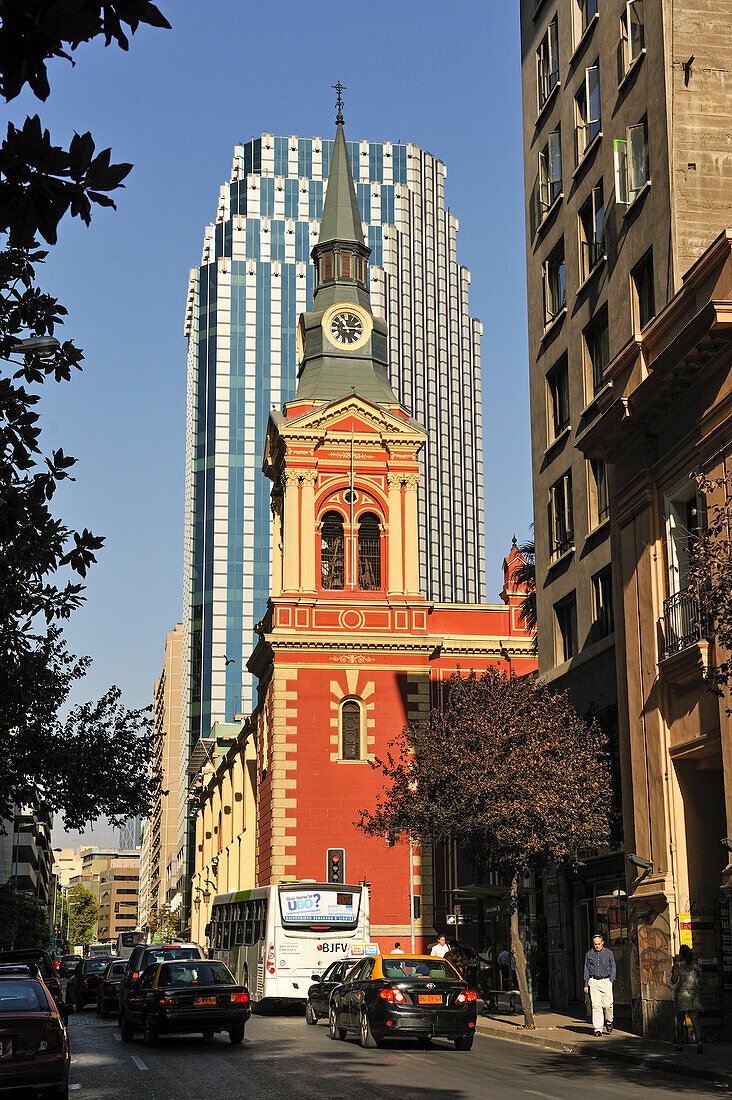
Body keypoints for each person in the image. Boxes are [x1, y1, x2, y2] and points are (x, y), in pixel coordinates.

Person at [671, 944, 703, 1054]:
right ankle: (699, 1043)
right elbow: (699, 979)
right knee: (695, 1021)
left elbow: (674, 980)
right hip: (694, 995)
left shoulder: (677, 966)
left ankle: (680, 1043)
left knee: (680, 1020)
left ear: (681, 954)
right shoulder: (695, 967)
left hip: (682, 995)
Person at [583, 932, 616, 1037]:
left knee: (608, 1005)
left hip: (606, 981)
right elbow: (586, 969)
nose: (597, 946)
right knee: (596, 1006)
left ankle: (609, 1021)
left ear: (602, 942)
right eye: (595, 944)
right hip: (594, 981)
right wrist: (586, 984)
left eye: (599, 943)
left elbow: (613, 966)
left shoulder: (609, 953)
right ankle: (598, 1029)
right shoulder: (589, 954)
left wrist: (611, 979)